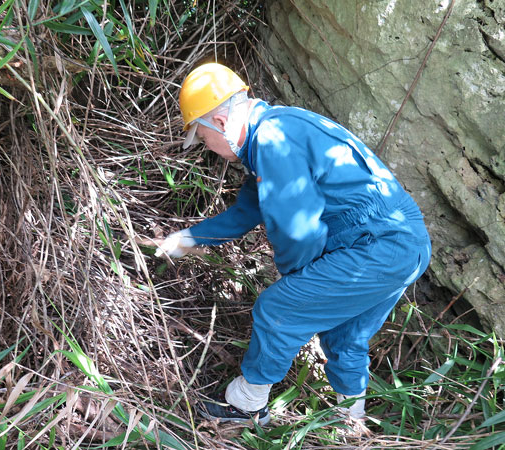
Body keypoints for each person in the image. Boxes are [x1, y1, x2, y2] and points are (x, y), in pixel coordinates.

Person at [154, 62, 431, 425]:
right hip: (404, 245)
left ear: (220, 124)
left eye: (205, 140)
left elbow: (299, 230)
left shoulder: (272, 139)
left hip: (377, 244)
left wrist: (294, 277)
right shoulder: (274, 134)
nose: (210, 149)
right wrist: (189, 238)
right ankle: (350, 423)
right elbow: (247, 210)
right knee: (344, 335)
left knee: (277, 309)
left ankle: (247, 405)